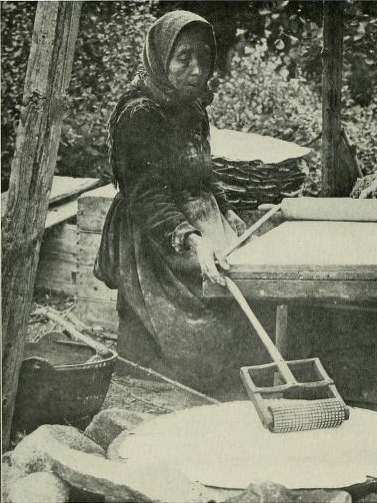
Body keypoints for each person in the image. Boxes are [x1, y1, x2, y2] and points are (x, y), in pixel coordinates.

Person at [94, 10, 270, 397]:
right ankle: (154, 401)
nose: (196, 69)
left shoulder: (191, 106)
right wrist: (192, 239)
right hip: (153, 232)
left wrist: (226, 211)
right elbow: (148, 194)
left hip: (196, 217)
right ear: (160, 58)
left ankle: (214, 396)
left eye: (203, 58)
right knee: (167, 329)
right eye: (183, 58)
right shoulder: (139, 114)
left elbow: (204, 171)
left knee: (228, 300)